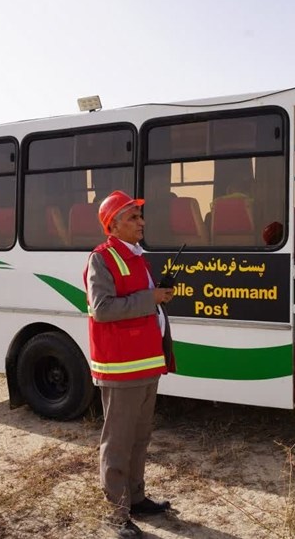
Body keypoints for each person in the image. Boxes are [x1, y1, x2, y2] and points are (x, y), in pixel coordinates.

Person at [83, 190, 175, 539]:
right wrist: (149, 299)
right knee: (118, 441)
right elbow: (103, 308)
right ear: (113, 225)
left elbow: (141, 303)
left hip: (146, 362)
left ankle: (135, 499)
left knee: (140, 437)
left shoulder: (137, 257)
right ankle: (114, 514)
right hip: (121, 366)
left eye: (140, 216)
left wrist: (158, 297)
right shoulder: (102, 258)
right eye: (133, 217)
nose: (141, 222)